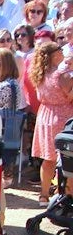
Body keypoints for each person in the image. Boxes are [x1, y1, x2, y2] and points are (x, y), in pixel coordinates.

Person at [29, 42, 73, 203]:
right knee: (68, 157)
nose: (63, 52)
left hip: (45, 115)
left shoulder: (39, 73)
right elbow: (70, 96)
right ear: (54, 55)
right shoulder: (62, 75)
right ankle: (67, 195)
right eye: (60, 50)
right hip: (63, 117)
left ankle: (44, 194)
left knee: (49, 159)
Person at [0, 48, 26, 175]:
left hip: (0, 133)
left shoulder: (6, 86)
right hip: (7, 131)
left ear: (0, 64)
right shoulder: (10, 83)